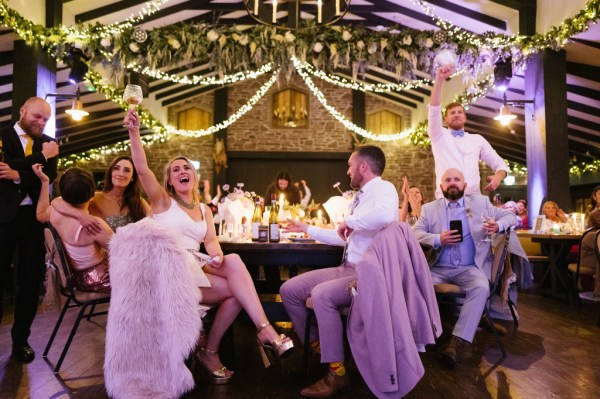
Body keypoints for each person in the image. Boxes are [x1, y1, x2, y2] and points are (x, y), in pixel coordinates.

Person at [124, 108, 293, 384]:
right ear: (169, 180)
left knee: (235, 267)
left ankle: (234, 342)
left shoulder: (203, 209)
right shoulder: (163, 202)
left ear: (192, 175)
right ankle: (254, 336)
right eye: (175, 170)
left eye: (186, 167)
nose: (182, 171)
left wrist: (216, 256)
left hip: (199, 266)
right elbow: (142, 169)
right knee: (239, 285)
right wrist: (133, 132)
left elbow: (212, 242)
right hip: (172, 271)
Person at [280, 145, 399, 398]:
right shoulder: (358, 197)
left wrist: (350, 222)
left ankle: (337, 374)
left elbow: (386, 215)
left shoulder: (383, 188)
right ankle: (321, 349)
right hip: (345, 268)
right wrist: (305, 228)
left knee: (322, 295)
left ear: (363, 167)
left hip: (369, 275)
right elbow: (342, 237)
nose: (348, 171)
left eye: (349, 165)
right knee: (289, 290)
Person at [412, 168, 516, 367]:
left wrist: (498, 225)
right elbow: (414, 232)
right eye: (448, 180)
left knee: (481, 287)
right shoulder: (429, 208)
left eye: (457, 179)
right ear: (441, 186)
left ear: (464, 185)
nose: (452, 183)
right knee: (413, 283)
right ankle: (418, 338)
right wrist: (437, 239)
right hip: (437, 269)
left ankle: (456, 343)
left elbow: (511, 217)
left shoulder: (481, 203)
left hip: (469, 268)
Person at [0, 97, 58, 363]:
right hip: (3, 217)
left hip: (34, 218)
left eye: (45, 119)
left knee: (31, 279)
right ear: (22, 111)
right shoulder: (2, 136)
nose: (41, 122)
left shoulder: (50, 142)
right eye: (37, 116)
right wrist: (41, 158)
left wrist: (17, 174)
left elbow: (50, 177)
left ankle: (20, 338)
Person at [429, 64, 509, 199]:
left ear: (465, 117)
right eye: (452, 113)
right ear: (445, 119)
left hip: (474, 200)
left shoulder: (477, 139)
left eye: (460, 112)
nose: (456, 115)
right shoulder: (439, 135)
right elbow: (434, 109)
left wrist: (498, 176)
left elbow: (500, 163)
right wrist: (439, 80)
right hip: (447, 198)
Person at [33, 165, 113, 292]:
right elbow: (124, 252)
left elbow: (40, 213)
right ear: (92, 195)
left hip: (78, 279)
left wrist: (45, 182)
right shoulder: (93, 224)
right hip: (102, 279)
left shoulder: (54, 212)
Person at [51, 155, 151, 233]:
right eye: (116, 168)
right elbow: (56, 202)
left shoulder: (137, 200)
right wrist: (80, 216)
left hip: (133, 252)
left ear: (132, 178)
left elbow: (154, 219)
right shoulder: (96, 197)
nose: (120, 174)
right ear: (111, 172)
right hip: (106, 254)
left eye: (126, 170)